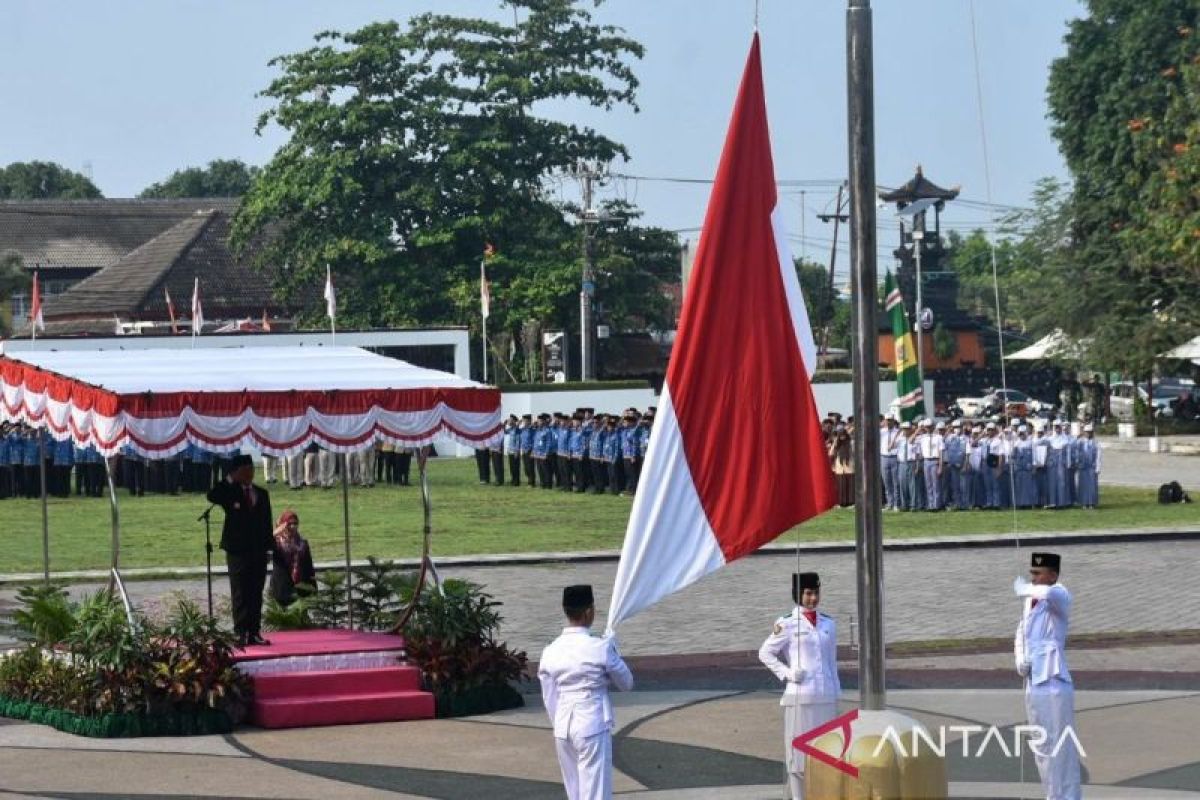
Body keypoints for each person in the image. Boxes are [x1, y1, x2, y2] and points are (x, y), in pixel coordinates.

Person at [538, 585, 633, 800]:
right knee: (595, 793)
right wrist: (614, 650)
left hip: (563, 726)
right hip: (591, 723)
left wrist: (559, 722)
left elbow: (549, 696)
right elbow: (626, 683)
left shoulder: (550, 651)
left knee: (575, 792)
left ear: (565, 610)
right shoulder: (599, 648)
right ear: (589, 611)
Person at [759, 572, 841, 800]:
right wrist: (787, 673)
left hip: (825, 696)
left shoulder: (829, 623)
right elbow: (765, 653)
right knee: (798, 756)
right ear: (798, 594)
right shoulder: (786, 623)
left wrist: (836, 693)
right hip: (800, 697)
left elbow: (831, 662)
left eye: (815, 593)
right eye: (808, 593)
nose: (813, 598)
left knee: (828, 753)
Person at [1014, 552, 1081, 800]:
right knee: (1041, 744)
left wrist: (1025, 589)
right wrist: (1020, 659)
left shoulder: (1060, 594)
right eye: (1031, 573)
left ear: (1053, 575)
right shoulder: (1031, 599)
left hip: (1054, 681)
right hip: (1034, 681)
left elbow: (1049, 594)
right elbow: (1021, 633)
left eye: (1038, 574)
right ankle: (1052, 796)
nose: (1033, 578)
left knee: (1061, 745)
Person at [207, 454, 274, 647]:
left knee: (255, 592)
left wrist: (269, 548)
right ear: (237, 472)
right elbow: (212, 495)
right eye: (245, 470)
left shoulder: (261, 493)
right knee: (240, 592)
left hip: (258, 551)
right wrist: (230, 479)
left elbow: (266, 522)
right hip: (237, 551)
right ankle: (241, 632)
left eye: (252, 469)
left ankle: (254, 631)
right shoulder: (230, 492)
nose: (250, 474)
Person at [269, 510, 316, 606]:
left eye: (295, 523)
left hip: (301, 590)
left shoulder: (303, 544)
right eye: (289, 524)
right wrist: (275, 533)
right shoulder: (277, 543)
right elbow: (262, 545)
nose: (293, 526)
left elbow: (309, 567)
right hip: (281, 590)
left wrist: (313, 587)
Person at [1072, 424, 1101, 509]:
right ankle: (1083, 502)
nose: (1088, 434)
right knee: (1083, 485)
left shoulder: (1096, 443)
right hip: (1083, 466)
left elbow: (1098, 456)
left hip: (1092, 466)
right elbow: (1073, 446)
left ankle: (1091, 502)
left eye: (1090, 432)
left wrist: (1098, 467)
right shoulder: (1080, 442)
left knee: (1092, 485)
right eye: (1086, 432)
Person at [827, 424, 854, 507]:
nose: (842, 436)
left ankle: (851, 502)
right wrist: (835, 442)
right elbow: (830, 453)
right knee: (841, 486)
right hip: (840, 468)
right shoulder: (837, 445)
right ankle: (841, 502)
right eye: (840, 435)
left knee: (850, 486)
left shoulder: (851, 442)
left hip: (849, 467)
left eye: (843, 434)